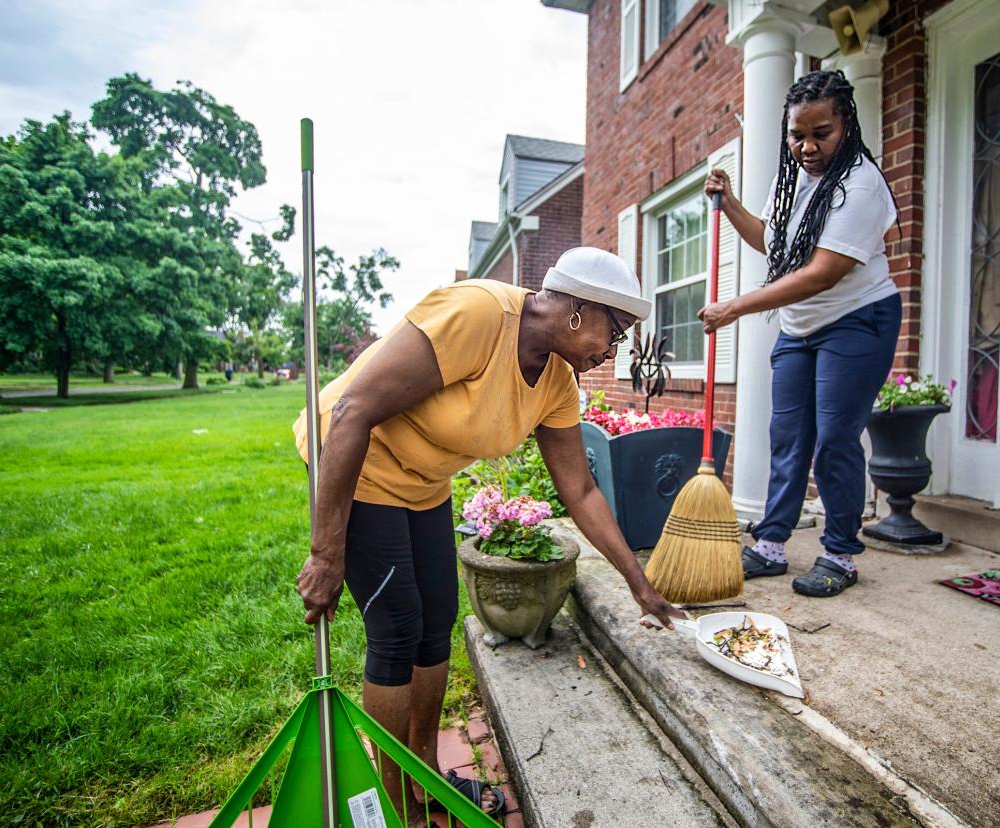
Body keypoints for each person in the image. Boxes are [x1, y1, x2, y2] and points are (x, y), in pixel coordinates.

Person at [293, 247, 684, 816]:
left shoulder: (555, 382)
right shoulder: (479, 315)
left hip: (424, 481)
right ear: (579, 311)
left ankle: (423, 779)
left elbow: (580, 491)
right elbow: (353, 411)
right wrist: (326, 553)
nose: (612, 351)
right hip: (357, 462)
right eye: (615, 332)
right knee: (398, 628)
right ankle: (394, 803)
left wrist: (638, 583)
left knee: (437, 622)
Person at [700, 70, 901, 599]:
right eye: (797, 135)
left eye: (821, 133)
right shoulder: (793, 179)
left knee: (834, 440)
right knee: (787, 436)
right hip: (802, 327)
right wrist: (732, 202)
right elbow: (775, 243)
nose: (807, 147)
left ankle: (840, 553)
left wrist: (735, 308)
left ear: (846, 125)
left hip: (858, 320)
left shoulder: (861, 186)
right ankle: (771, 544)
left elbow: (820, 272)